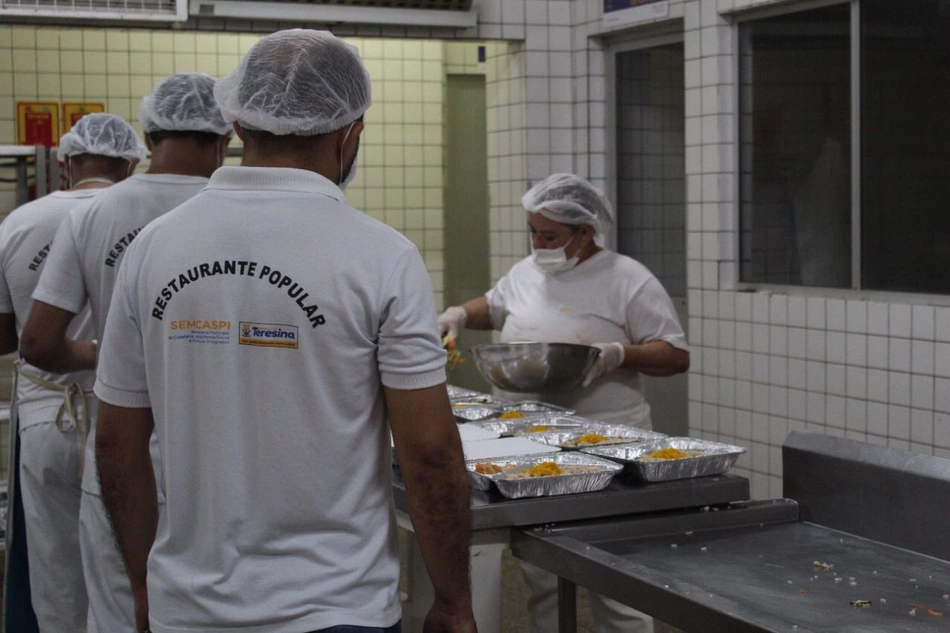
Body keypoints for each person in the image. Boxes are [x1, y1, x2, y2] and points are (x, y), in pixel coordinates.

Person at [91, 29, 476, 633]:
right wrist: (453, 601)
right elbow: (429, 454)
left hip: (189, 608)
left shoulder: (152, 250)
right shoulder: (382, 257)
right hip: (337, 606)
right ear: (351, 132)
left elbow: (115, 444)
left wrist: (143, 585)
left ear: (239, 123)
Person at [20, 72, 232, 633]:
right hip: (220, 456)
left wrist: (105, 355)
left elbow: (38, 342)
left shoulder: (91, 215)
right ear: (224, 137)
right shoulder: (239, 212)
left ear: (148, 132)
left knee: (119, 608)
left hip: (119, 450)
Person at [438, 173, 690, 633]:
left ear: (585, 232)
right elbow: (493, 307)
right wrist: (456, 314)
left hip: (606, 444)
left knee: (617, 583)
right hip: (529, 443)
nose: (538, 242)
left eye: (549, 235)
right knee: (544, 576)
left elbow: (675, 355)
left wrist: (619, 355)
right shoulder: (527, 272)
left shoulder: (628, 279)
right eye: (532, 231)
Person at [0, 113, 145, 633]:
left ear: (65, 163)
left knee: (57, 573)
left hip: (45, 416)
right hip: (126, 419)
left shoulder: (19, 223)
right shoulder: (137, 220)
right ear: (131, 163)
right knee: (126, 571)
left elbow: (8, 337)